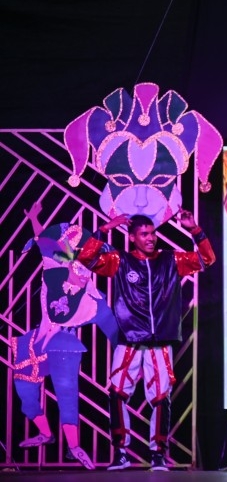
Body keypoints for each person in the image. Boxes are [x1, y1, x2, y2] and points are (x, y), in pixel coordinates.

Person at [77, 210, 215, 471]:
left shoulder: (170, 260)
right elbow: (86, 258)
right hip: (129, 339)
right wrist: (105, 228)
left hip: (159, 341)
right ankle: (120, 453)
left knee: (161, 397)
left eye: (152, 233)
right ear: (132, 237)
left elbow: (207, 258)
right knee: (117, 393)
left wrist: (194, 229)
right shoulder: (120, 261)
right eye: (144, 234)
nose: (151, 238)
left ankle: (158, 455)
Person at [12, 201, 118, 470]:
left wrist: (124, 359)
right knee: (24, 388)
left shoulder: (93, 300)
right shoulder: (53, 267)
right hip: (39, 339)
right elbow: (44, 241)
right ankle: (45, 433)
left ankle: (74, 447)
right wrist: (34, 218)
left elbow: (112, 329)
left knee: (66, 393)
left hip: (63, 345)